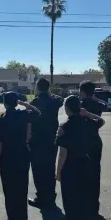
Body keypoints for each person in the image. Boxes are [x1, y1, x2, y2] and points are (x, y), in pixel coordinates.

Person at [55, 95, 105, 220]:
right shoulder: (88, 123)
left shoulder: (64, 126)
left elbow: (63, 153)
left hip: (70, 167)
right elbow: (101, 121)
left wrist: (58, 172)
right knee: (83, 203)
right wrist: (88, 114)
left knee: (70, 205)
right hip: (86, 164)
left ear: (67, 108)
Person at [0, 91, 41, 220]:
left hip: (7, 158)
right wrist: (24, 104)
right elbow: (37, 113)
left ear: (5, 103)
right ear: (16, 102)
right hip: (23, 156)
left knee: (10, 191)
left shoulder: (1, 119)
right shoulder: (23, 115)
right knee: (22, 189)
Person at [28, 78, 64, 209]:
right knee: (49, 168)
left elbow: (29, 121)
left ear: (37, 87)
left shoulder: (34, 102)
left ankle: (41, 197)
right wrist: (49, 94)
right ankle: (50, 195)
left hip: (37, 140)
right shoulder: (55, 100)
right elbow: (61, 99)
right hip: (51, 139)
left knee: (38, 170)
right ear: (48, 88)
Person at [79, 80, 107, 218]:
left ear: (82, 91)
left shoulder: (80, 105)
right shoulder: (98, 104)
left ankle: (83, 207)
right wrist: (94, 97)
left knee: (82, 176)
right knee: (95, 175)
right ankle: (94, 209)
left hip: (82, 142)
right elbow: (104, 105)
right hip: (95, 141)